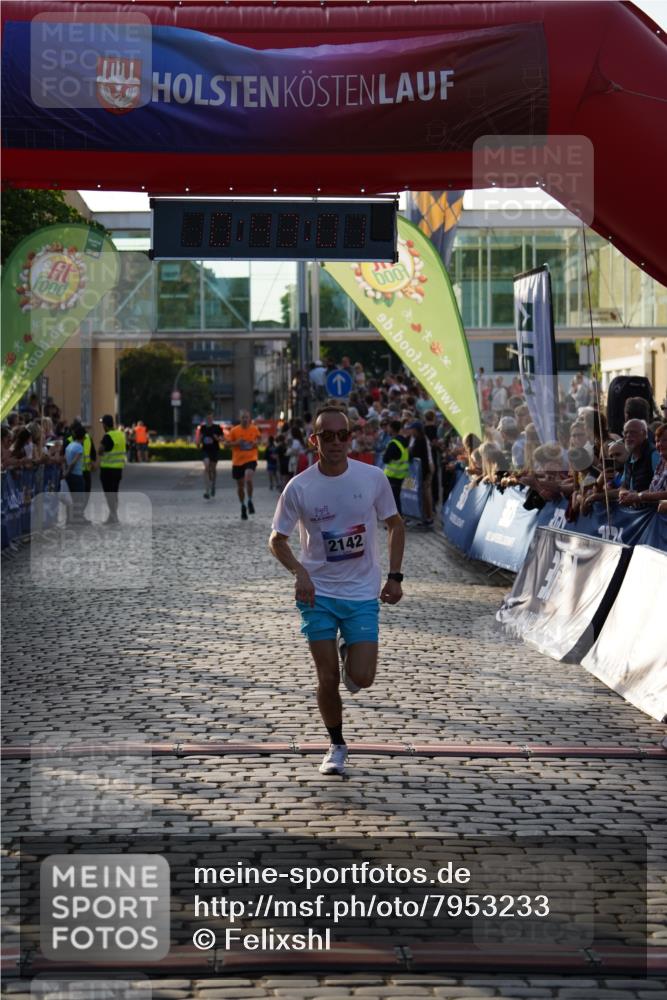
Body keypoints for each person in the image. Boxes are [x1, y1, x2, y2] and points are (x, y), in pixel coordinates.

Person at [269, 405, 405, 777]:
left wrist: (395, 576)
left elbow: (395, 524)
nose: (334, 442)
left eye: (341, 435)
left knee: (362, 678)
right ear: (314, 441)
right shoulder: (299, 487)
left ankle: (352, 658)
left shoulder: (372, 478)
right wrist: (299, 573)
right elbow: (276, 540)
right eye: (325, 436)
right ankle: (336, 744)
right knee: (326, 677)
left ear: (351, 438)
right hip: (319, 594)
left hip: (362, 592)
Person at [228, 409, 261, 520]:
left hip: (251, 458)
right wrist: (237, 443)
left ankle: (250, 500)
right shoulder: (234, 431)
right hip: (237, 461)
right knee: (240, 486)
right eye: (243, 417)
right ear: (240, 418)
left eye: (247, 417)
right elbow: (226, 444)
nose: (245, 419)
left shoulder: (254, 429)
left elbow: (260, 440)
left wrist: (256, 443)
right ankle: (243, 505)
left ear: (250, 418)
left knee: (248, 478)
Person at [98, 414, 127, 525]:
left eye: (102, 424)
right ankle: (113, 516)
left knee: (108, 494)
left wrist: (100, 451)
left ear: (105, 425)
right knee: (114, 493)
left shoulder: (108, 436)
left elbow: (100, 450)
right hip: (118, 469)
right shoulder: (120, 434)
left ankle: (113, 516)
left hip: (107, 470)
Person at [382, 419, 410, 516]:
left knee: (392, 499)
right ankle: (398, 518)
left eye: (389, 427)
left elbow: (385, 459)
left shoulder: (394, 443)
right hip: (401, 475)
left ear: (392, 429)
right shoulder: (404, 441)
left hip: (392, 475)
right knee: (395, 498)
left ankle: (397, 520)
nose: (387, 429)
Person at [63, 423, 87, 523]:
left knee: (70, 499)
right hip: (77, 475)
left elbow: (64, 459)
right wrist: (68, 470)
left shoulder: (69, 446)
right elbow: (74, 461)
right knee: (78, 498)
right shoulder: (79, 447)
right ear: (83, 436)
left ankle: (69, 519)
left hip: (69, 477)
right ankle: (77, 519)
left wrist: (65, 471)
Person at [197, 413, 224, 499]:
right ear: (205, 418)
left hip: (214, 450)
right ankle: (207, 491)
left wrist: (217, 438)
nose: (209, 419)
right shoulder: (203, 428)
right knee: (206, 467)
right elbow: (200, 437)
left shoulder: (217, 427)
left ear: (213, 418)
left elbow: (222, 438)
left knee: (213, 469)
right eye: (207, 418)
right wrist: (198, 442)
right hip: (205, 450)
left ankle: (213, 485)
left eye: (210, 418)